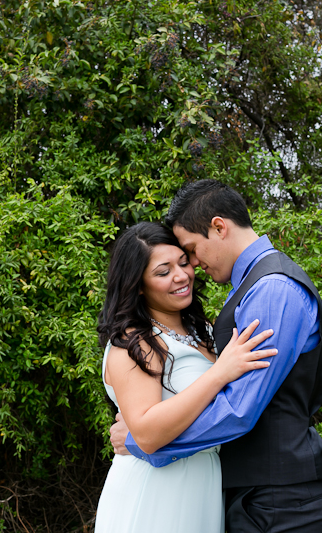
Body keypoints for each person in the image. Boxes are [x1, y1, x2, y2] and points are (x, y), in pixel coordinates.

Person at [110, 180, 322, 533]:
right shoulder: (250, 287)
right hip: (249, 496)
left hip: (280, 499)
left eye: (190, 252)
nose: (193, 267)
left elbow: (239, 409)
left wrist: (144, 442)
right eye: (166, 269)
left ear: (218, 227)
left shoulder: (272, 289)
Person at [95, 221, 277, 532]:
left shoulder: (203, 330)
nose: (182, 276)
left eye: (183, 262)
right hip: (154, 490)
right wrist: (219, 373)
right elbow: (149, 435)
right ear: (138, 284)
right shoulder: (135, 342)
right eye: (163, 272)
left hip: (202, 484)